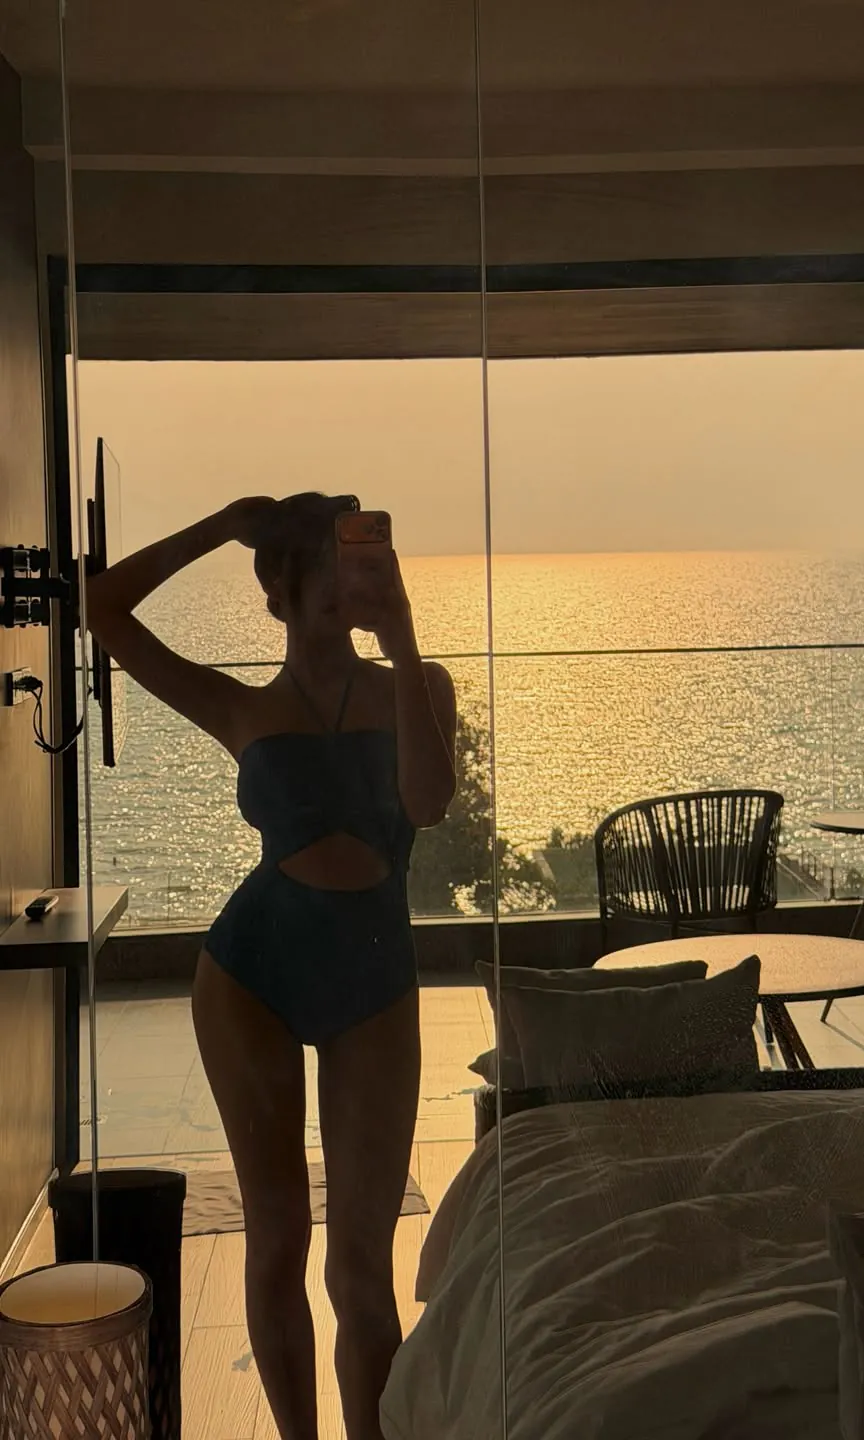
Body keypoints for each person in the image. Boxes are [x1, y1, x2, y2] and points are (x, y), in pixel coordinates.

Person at [85, 493, 457, 1440]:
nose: (338, 580)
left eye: (349, 560)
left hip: (374, 979)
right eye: (317, 565)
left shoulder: (419, 684)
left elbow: (425, 804)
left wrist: (401, 632)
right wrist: (219, 525)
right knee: (278, 1236)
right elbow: (102, 608)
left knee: (362, 1268)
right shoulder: (240, 706)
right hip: (249, 977)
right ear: (277, 594)